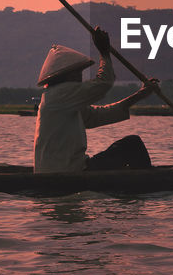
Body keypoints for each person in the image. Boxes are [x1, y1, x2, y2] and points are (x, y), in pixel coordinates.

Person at [33, 27, 159, 173]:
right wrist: (104, 53)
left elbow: (98, 115)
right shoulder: (60, 94)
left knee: (129, 146)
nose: (80, 78)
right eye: (78, 73)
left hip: (66, 169)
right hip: (68, 171)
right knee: (132, 144)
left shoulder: (63, 101)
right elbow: (103, 83)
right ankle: (147, 182)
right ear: (67, 76)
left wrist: (140, 95)